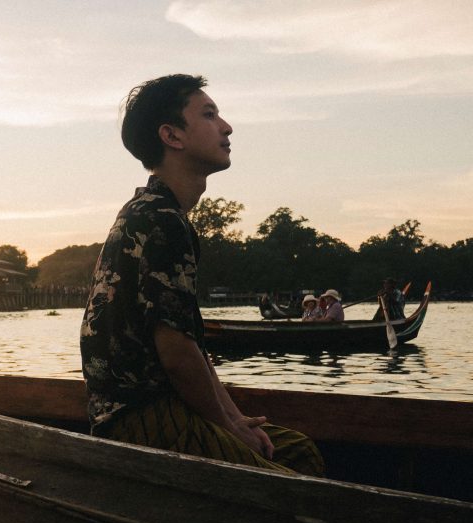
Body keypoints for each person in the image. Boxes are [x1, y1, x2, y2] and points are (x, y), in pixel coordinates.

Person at [80, 74, 323, 477]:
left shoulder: (155, 211)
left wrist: (235, 419)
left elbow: (192, 348)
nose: (226, 127)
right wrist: (228, 428)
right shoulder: (161, 221)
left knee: (297, 451)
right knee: (291, 480)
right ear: (172, 136)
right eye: (209, 115)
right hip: (140, 417)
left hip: (160, 407)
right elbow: (176, 353)